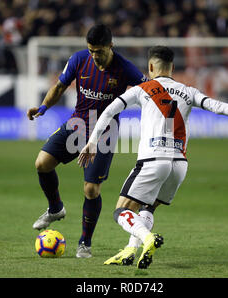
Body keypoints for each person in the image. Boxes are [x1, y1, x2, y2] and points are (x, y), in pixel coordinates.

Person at [78, 46, 228, 269]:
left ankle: (146, 239)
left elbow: (109, 111)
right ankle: (130, 250)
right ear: (172, 68)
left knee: (121, 211)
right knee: (147, 208)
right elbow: (216, 106)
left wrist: (92, 142)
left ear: (151, 67)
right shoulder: (188, 91)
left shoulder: (142, 89)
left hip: (153, 160)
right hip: (179, 165)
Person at [27, 24, 147, 258]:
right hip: (77, 124)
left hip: (105, 132)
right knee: (42, 163)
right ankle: (55, 208)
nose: (94, 56)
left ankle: (85, 243)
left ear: (110, 46)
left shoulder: (125, 69)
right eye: (91, 51)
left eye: (99, 51)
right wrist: (43, 107)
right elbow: (60, 86)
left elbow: (149, 91)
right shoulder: (79, 60)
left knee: (91, 189)